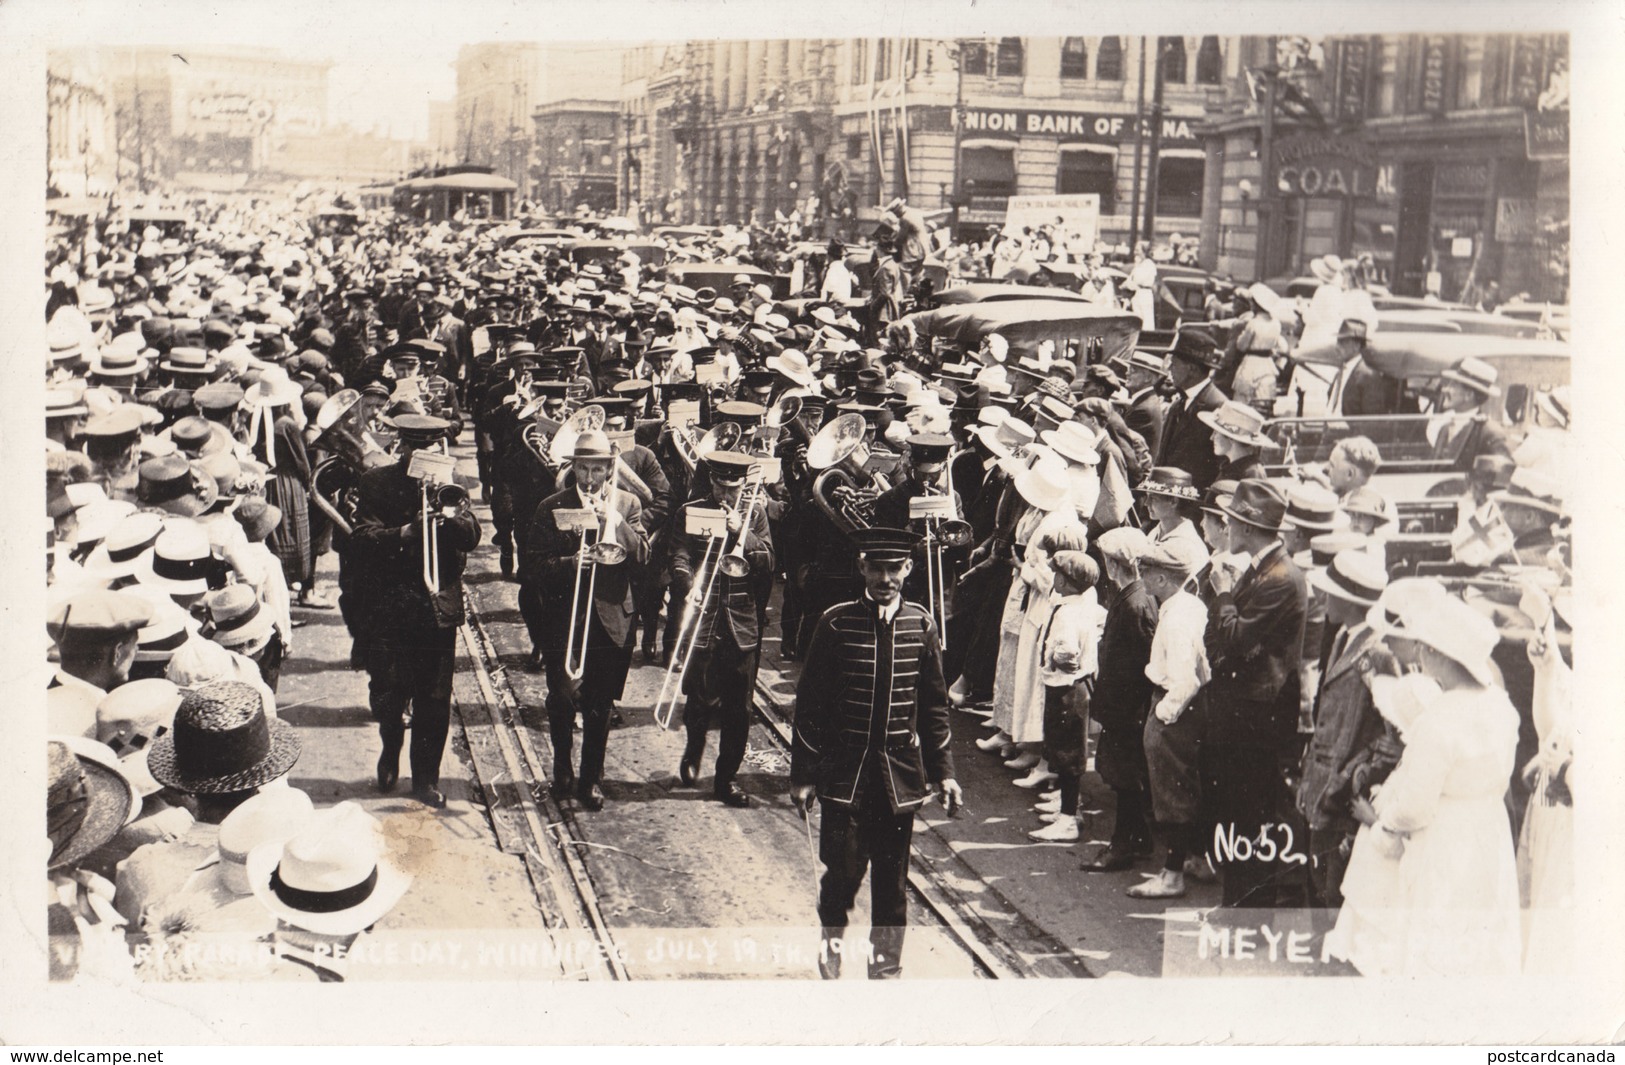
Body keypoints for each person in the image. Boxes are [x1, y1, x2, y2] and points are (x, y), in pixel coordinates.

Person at [1327, 580, 1523, 977]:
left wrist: (1383, 825)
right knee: (1480, 931)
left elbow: (1414, 808)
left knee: (1437, 935)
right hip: (1487, 831)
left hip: (1446, 838)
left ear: (1434, 654)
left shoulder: (1439, 719)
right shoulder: (1502, 708)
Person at [791, 527, 962, 980]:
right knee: (841, 876)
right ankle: (831, 948)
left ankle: (886, 967)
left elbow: (934, 708)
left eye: (895, 569)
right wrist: (804, 775)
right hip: (844, 777)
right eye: (877, 568)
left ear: (908, 569)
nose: (885, 578)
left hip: (897, 781)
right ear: (862, 567)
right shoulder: (835, 622)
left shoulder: (922, 625)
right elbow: (809, 706)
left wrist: (944, 773)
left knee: (893, 884)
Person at [350, 414, 482, 808]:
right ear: (402, 449)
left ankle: (425, 779)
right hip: (391, 605)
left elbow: (472, 538)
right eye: (418, 450)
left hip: (436, 608)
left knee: (435, 698)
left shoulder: (452, 486)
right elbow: (360, 539)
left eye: (434, 450)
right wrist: (405, 531)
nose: (427, 458)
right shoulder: (378, 482)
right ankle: (391, 750)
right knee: (389, 690)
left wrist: (451, 512)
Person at [520, 429, 648, 811]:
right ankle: (562, 768)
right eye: (583, 469)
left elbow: (642, 557)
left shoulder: (628, 503)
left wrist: (614, 520)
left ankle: (591, 779)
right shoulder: (552, 506)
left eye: (597, 470)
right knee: (561, 699)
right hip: (564, 618)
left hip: (611, 619)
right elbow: (533, 566)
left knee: (600, 705)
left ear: (610, 470)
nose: (589, 479)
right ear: (572, 467)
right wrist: (570, 563)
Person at [1202, 479, 1308, 910]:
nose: (1225, 528)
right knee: (1240, 812)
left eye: (1231, 521)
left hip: (1257, 714)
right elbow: (1222, 636)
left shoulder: (1280, 578)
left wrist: (1223, 594)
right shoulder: (1264, 568)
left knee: (1251, 814)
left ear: (1246, 526)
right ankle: (1238, 905)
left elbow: (1235, 638)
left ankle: (1248, 911)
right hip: (1243, 708)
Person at [670, 452, 774, 808]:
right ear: (711, 482)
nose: (725, 495)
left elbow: (769, 562)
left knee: (739, 708)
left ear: (743, 485)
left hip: (741, 622)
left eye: (733, 488)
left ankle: (726, 778)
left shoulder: (755, 515)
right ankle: (694, 747)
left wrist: (741, 535)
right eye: (719, 486)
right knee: (698, 695)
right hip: (705, 614)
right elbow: (680, 554)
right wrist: (687, 585)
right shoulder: (692, 510)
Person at [1295, 550, 1393, 917]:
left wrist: (1351, 776)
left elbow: (1388, 732)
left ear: (1349, 601)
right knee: (1319, 881)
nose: (1323, 599)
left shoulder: (1378, 651)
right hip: (1323, 784)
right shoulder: (1342, 638)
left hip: (1344, 792)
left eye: (1330, 593)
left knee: (1335, 889)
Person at [1129, 536, 1212, 899]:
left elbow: (1184, 679)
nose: (1141, 577)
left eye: (1145, 571)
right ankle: (1195, 857)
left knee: (1171, 794)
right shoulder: (1188, 606)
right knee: (1187, 787)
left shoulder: (1176, 619)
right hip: (1191, 710)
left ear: (1162, 579)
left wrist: (1163, 715)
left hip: (1174, 708)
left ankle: (1172, 874)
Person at [1080, 526, 1160, 872]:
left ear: (1115, 564)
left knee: (1124, 778)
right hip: (1122, 706)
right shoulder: (1131, 597)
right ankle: (1138, 838)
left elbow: (1145, 663)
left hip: (1128, 710)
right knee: (1124, 775)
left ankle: (1122, 845)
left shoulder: (1136, 605)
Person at [1027, 550, 1107, 843]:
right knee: (1063, 749)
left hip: (1067, 688)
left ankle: (1068, 818)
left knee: (1068, 754)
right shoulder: (1077, 606)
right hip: (1073, 686)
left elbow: (1067, 653)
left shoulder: (1068, 614)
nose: (1053, 578)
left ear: (1065, 580)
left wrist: (1059, 661)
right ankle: (1066, 806)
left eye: (1057, 574)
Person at [1153, 330, 1227, 489]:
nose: (1170, 368)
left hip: (1192, 504)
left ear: (1192, 369)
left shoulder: (1217, 406)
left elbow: (1220, 466)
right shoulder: (1179, 403)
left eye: (1174, 362)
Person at [1428, 356, 1513, 465]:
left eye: (1453, 385)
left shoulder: (1491, 434)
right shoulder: (1444, 429)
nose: (1445, 389)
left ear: (1468, 395)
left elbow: (1504, 472)